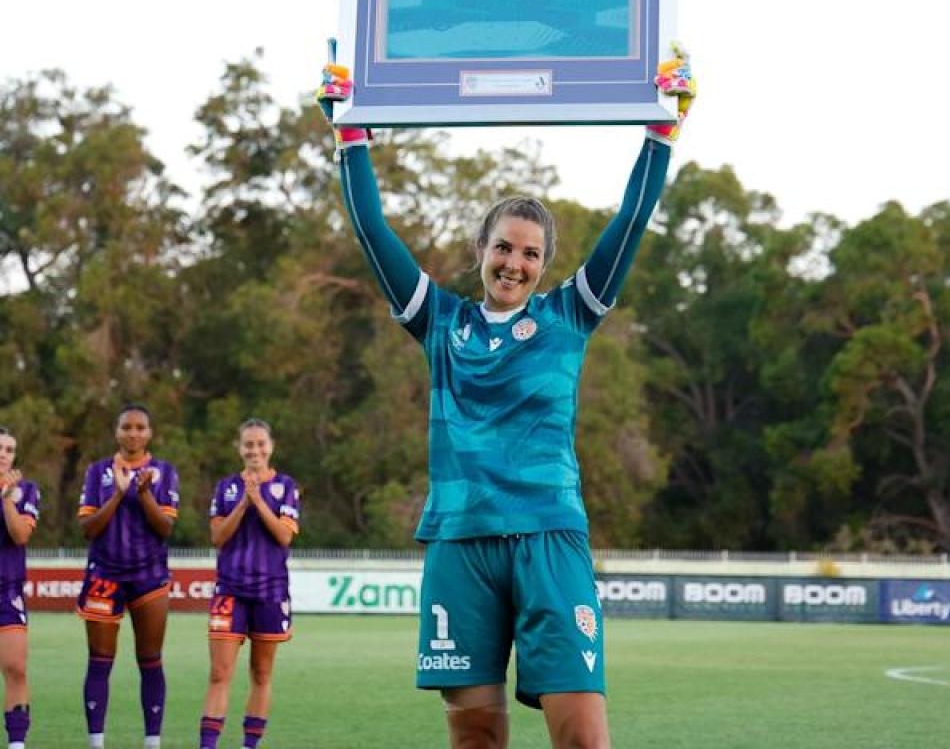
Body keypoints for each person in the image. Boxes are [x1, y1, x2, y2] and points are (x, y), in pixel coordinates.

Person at [316, 47, 695, 749]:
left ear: (545, 266)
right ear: (481, 249)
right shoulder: (441, 322)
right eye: (503, 247)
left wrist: (662, 132)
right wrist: (349, 134)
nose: (513, 263)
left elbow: (631, 222)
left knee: (582, 738)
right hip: (460, 544)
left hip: (549, 536)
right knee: (476, 741)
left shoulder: (568, 316)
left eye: (529, 254)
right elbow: (372, 228)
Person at [77, 404, 179, 749]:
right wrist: (119, 493)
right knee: (99, 660)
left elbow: (165, 527)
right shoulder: (97, 472)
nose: (133, 433)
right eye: (127, 427)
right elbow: (88, 528)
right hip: (104, 575)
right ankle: (96, 742)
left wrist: (144, 493)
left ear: (149, 433)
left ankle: (152, 742)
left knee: (150, 660)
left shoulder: (164, 471)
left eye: (140, 427)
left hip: (149, 576)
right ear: (116, 431)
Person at [197, 419, 300, 749]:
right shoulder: (226, 487)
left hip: (270, 591)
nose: (255, 450)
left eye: (260, 444)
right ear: (239, 449)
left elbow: (284, 536)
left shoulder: (286, 486)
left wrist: (258, 501)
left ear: (271, 446)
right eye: (248, 445)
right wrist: (244, 500)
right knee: (219, 674)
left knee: (261, 674)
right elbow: (217, 537)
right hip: (230, 589)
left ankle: (249, 745)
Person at [0, 428, 40, 749]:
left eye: (10, 449)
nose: (4, 454)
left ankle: (17, 744)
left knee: (16, 668)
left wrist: (6, 499)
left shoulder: (26, 490)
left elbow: (21, 536)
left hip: (7, 590)